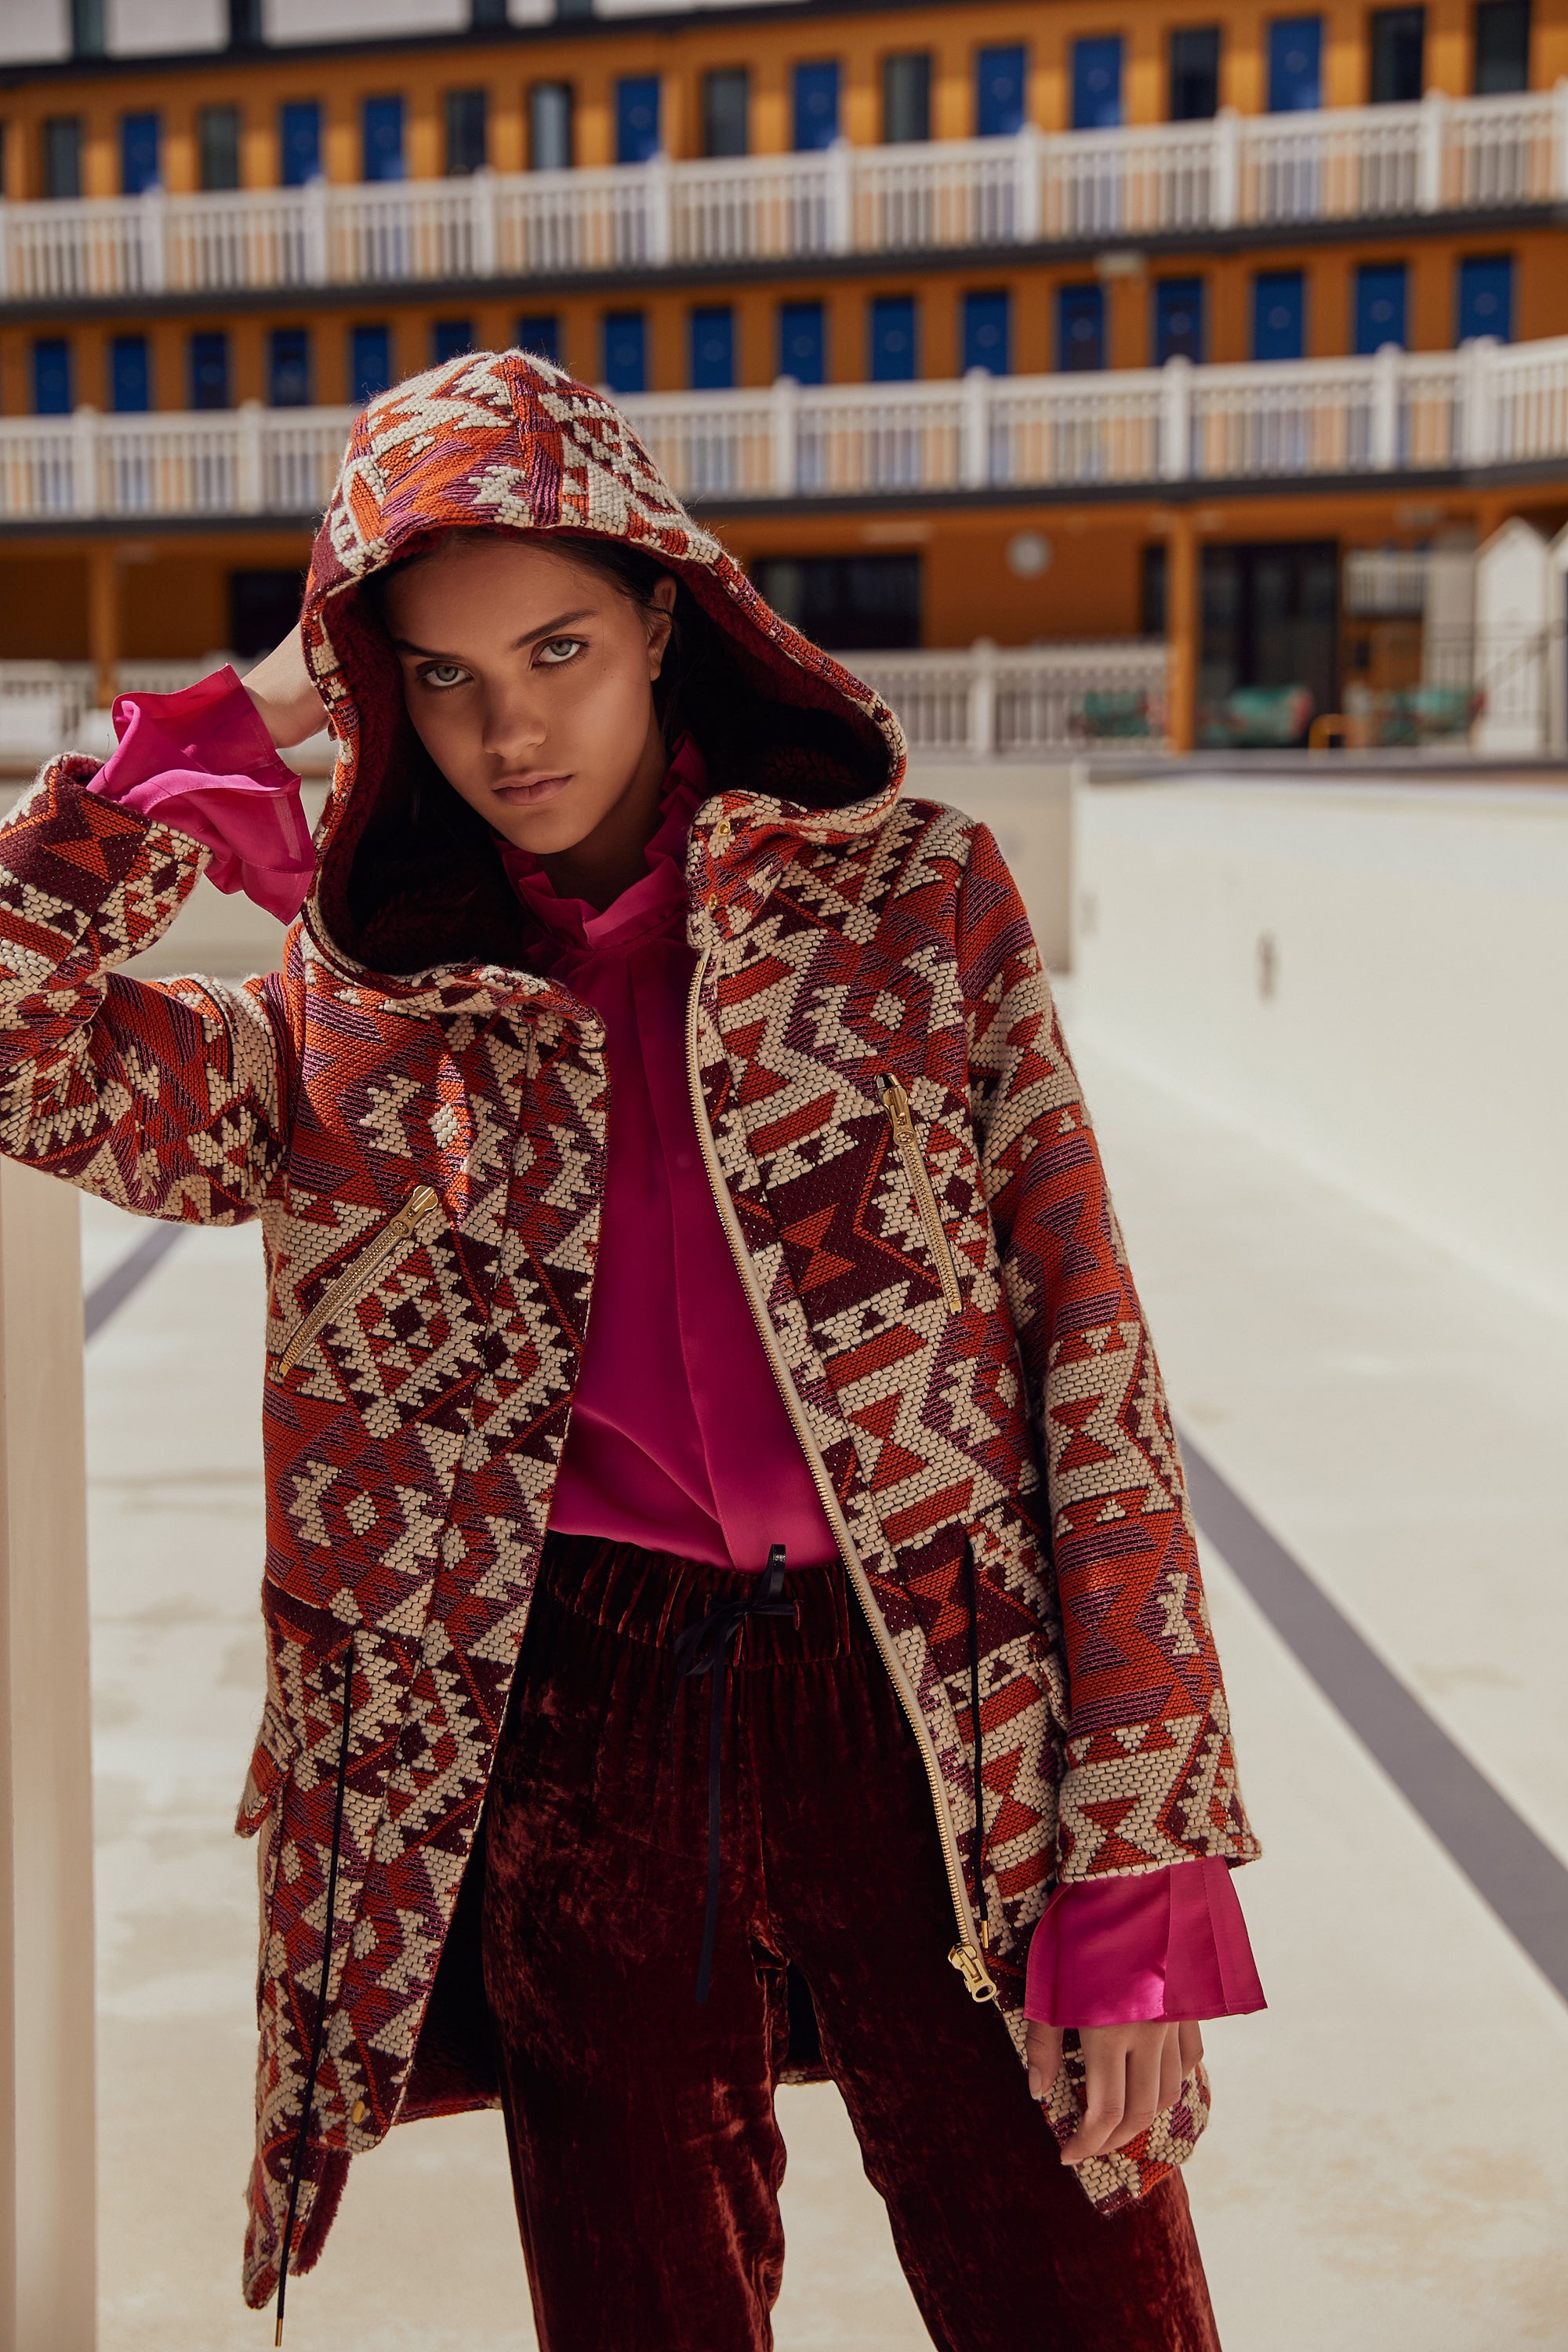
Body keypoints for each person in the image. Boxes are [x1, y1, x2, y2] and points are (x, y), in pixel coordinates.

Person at [0, 350, 1263, 2352]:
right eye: (438, 674)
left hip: (934, 1694)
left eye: (560, 651)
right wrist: (227, 726)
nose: (510, 729)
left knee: (1090, 2299)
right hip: (576, 1723)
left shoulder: (915, 900)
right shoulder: (354, 1019)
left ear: (669, 617)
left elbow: (1085, 1353)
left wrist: (1145, 1856)